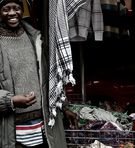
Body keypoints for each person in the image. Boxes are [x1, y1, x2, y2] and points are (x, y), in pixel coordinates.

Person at [0, 0, 77, 147]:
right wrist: (10, 100)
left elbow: (51, 77)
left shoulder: (35, 38)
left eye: (16, 8)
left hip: (43, 127)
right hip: (11, 130)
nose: (12, 13)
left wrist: (64, 107)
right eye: (6, 9)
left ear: (22, 11)